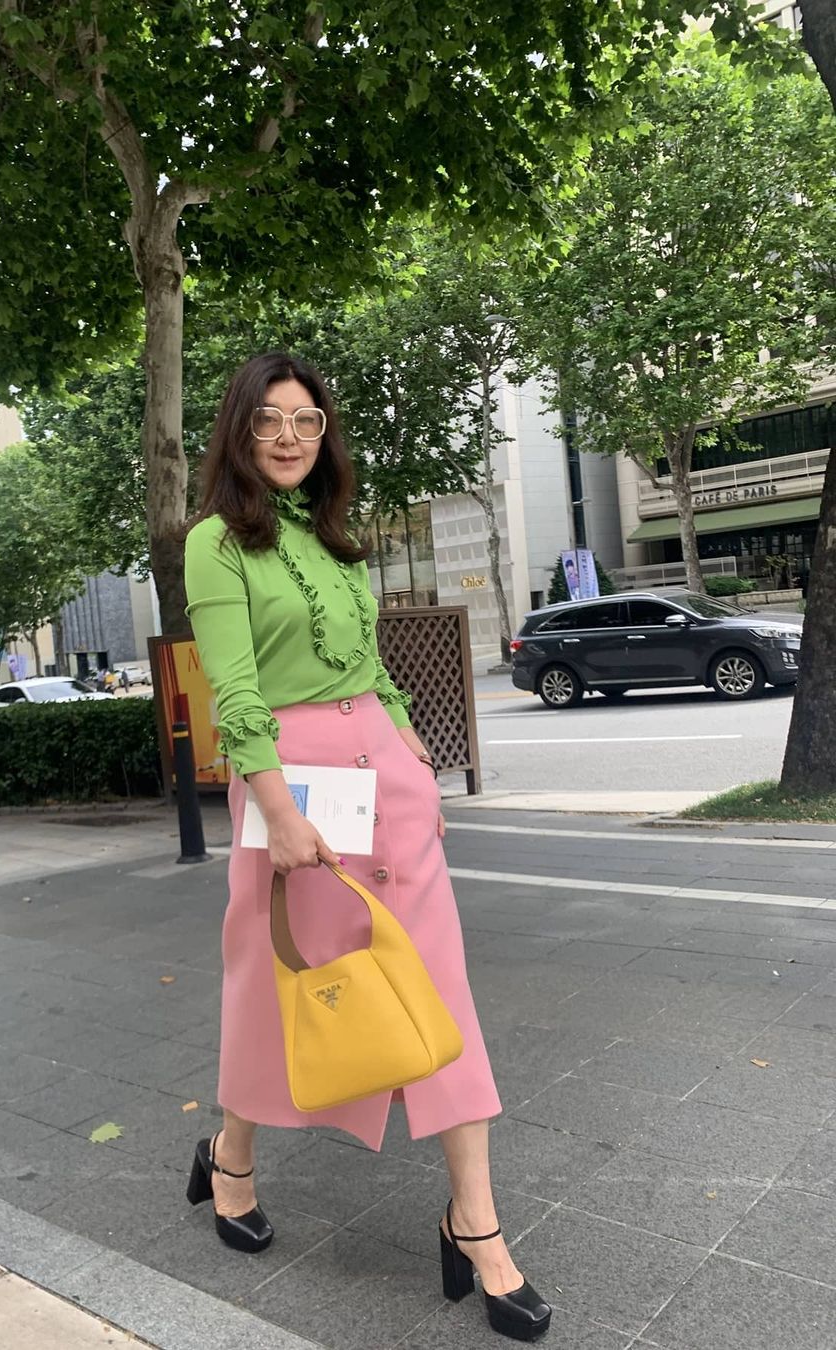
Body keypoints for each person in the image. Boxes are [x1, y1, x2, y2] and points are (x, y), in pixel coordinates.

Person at [183, 353, 551, 1342]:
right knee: (280, 981)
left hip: (382, 777)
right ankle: (230, 1157)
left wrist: (409, 742)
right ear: (239, 431)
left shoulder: (336, 540)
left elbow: (370, 660)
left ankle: (475, 1222)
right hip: (293, 792)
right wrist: (276, 807)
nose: (290, 437)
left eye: (307, 420)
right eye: (270, 420)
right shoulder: (216, 544)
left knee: (438, 990)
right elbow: (235, 691)